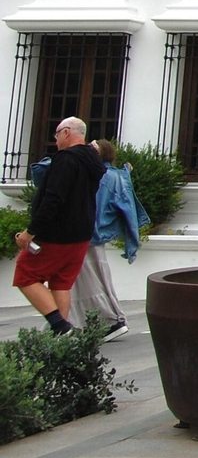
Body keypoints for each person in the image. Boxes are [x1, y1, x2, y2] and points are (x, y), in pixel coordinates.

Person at [13, 117, 105, 334]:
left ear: (66, 132)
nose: (55, 141)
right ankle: (60, 339)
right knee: (61, 283)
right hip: (82, 233)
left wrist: (30, 231)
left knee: (25, 274)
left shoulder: (66, 159)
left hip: (56, 234)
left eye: (56, 135)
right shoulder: (92, 160)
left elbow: (53, 198)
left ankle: (61, 326)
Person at [67, 139, 148, 341]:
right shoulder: (112, 176)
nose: (87, 148)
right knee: (91, 278)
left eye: (92, 146)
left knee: (88, 279)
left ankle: (110, 321)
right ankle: (99, 321)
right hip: (92, 234)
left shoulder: (98, 175)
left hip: (85, 234)